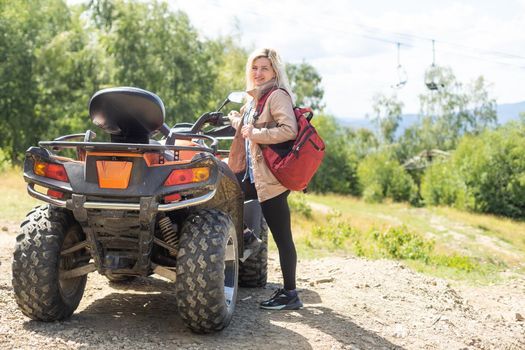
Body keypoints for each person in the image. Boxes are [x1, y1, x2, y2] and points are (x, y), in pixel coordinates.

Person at [227, 48, 302, 310]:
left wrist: (255, 132)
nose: (258, 73)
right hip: (251, 175)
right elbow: (249, 129)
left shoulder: (277, 96)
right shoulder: (254, 99)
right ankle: (246, 236)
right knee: (221, 197)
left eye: (264, 68)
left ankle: (290, 293)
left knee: (283, 237)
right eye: (255, 68)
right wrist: (237, 120)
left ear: (275, 72)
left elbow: (288, 130)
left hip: (271, 180)